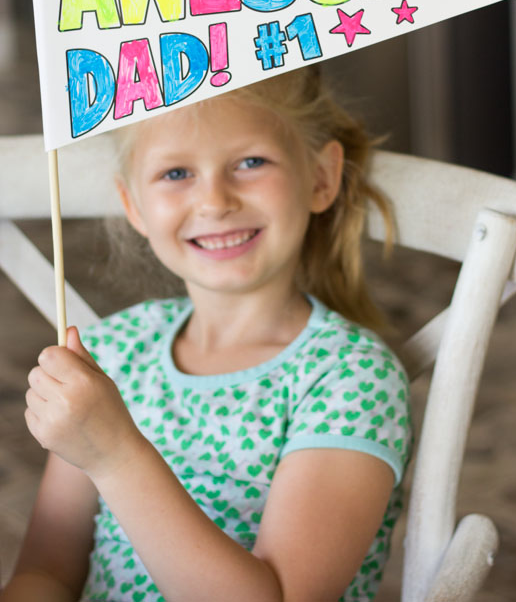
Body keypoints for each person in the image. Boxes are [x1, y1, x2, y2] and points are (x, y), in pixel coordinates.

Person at [3, 67, 412, 602]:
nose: (215, 201)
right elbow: (47, 574)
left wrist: (115, 454)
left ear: (320, 177)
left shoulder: (350, 378)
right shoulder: (111, 355)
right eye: (176, 173)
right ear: (133, 205)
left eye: (250, 162)